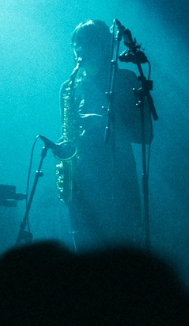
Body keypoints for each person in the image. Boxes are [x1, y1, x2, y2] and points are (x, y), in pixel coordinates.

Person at [58, 19, 150, 251]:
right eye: (76, 44)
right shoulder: (69, 87)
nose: (79, 50)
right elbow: (69, 136)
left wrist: (103, 123)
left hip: (117, 181)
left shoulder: (125, 80)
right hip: (82, 184)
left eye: (86, 44)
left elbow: (146, 135)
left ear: (103, 46)